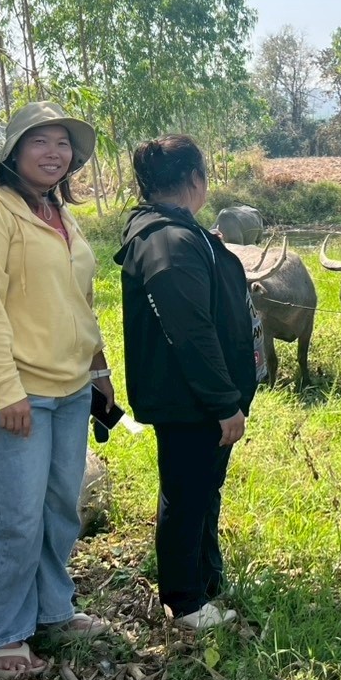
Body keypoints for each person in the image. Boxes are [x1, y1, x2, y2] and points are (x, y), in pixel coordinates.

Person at [0, 101, 111, 679]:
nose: (54, 153)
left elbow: (77, 301)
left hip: (68, 388)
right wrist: (4, 389)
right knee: (15, 515)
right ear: (14, 152)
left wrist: (98, 367)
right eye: (40, 142)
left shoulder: (56, 214)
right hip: (12, 392)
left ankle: (52, 609)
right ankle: (0, 635)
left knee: (58, 507)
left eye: (63, 144)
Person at [115, 136, 264, 631]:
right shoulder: (166, 240)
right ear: (196, 179)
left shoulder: (177, 232)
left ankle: (205, 581)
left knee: (201, 490)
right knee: (186, 495)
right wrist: (224, 401)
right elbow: (190, 330)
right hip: (190, 399)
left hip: (195, 396)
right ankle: (185, 603)